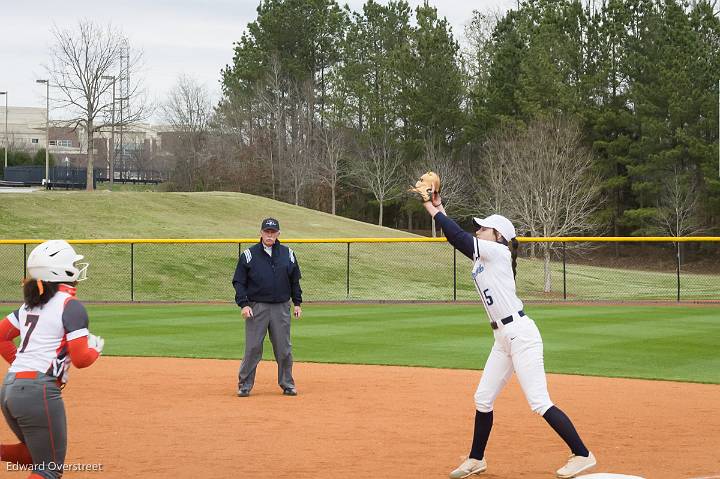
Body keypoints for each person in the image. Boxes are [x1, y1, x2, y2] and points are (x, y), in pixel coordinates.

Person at [420, 193, 596, 479]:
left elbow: (461, 239)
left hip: (520, 334)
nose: (477, 230)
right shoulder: (486, 256)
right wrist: (440, 209)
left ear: (498, 235)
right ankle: (476, 459)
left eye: (483, 228)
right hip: (502, 338)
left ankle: (582, 454)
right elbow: (457, 239)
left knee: (539, 401)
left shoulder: (498, 252)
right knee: (483, 398)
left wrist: (431, 209)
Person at [0, 240, 104, 479]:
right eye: (73, 264)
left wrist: (25, 365)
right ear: (61, 270)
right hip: (38, 391)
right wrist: (96, 348)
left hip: (10, 387)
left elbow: (1, 336)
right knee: (48, 470)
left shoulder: (28, 306)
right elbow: (81, 359)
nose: (77, 268)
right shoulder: (71, 306)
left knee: (33, 456)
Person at [232, 218, 302, 397]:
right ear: (261, 233)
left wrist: (297, 302)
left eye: (273, 232)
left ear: (278, 234)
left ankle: (287, 384)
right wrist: (244, 304)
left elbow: (295, 280)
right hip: (257, 307)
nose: (269, 235)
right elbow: (239, 281)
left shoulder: (288, 254)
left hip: (281, 307)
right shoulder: (249, 254)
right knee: (253, 348)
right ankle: (244, 385)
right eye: (267, 232)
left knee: (283, 348)